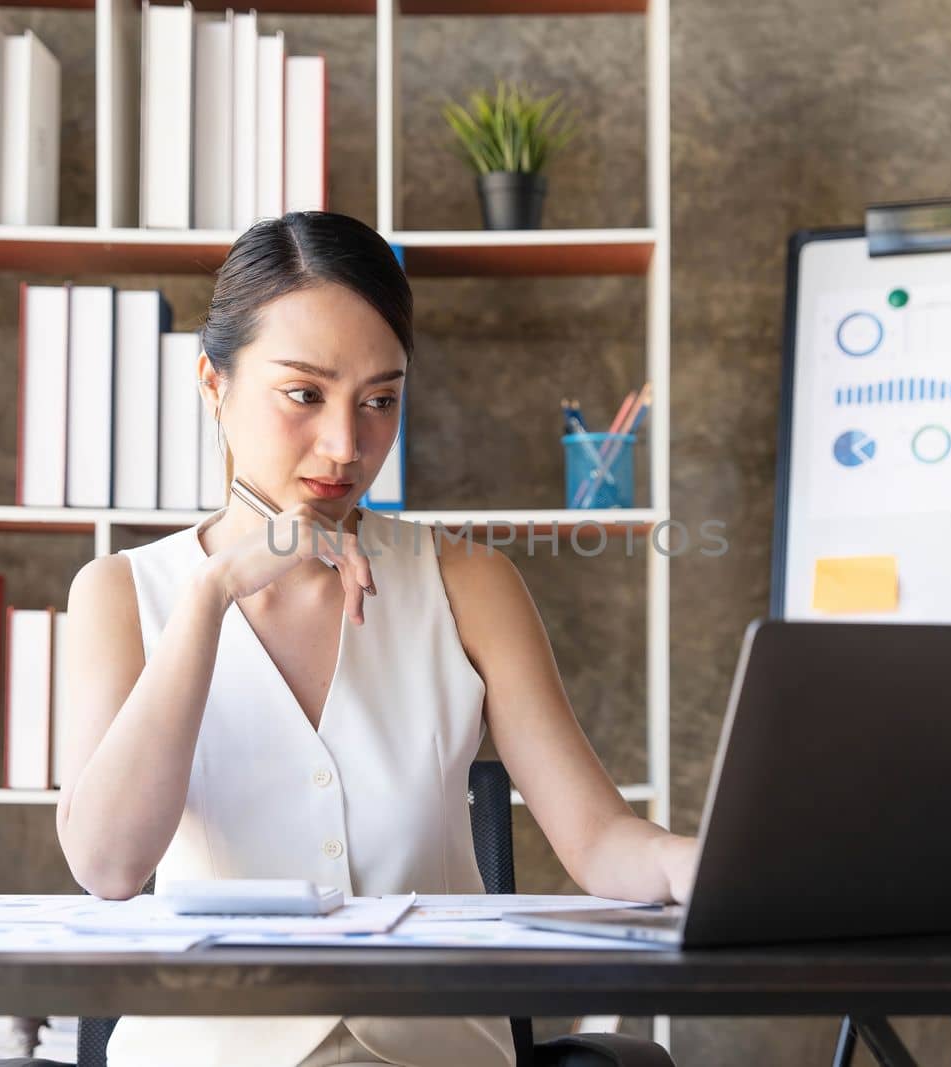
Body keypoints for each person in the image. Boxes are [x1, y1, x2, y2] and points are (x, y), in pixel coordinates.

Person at [54, 211, 697, 1067]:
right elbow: (108, 864)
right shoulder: (123, 593)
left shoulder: (469, 583)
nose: (346, 446)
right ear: (215, 381)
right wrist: (211, 595)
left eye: (380, 400)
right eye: (304, 394)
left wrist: (702, 863)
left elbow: (600, 839)